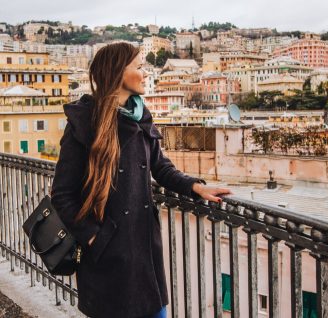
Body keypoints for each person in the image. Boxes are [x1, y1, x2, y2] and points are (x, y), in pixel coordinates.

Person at [51, 42, 231, 318]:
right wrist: (93, 238)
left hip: (144, 251)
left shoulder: (141, 116)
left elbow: (161, 167)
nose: (145, 74)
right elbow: (62, 195)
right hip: (106, 255)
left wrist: (196, 187)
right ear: (118, 73)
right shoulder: (84, 122)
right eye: (139, 67)